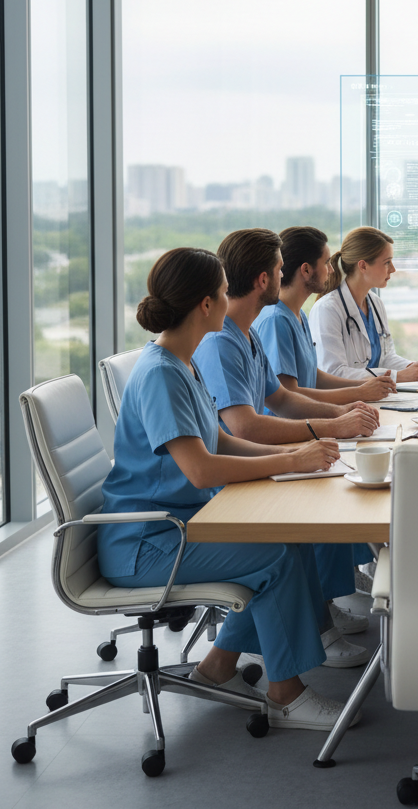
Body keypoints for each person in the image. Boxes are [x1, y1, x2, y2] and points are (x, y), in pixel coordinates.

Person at [97, 247, 359, 730]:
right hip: (146, 543)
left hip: (175, 526)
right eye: (221, 293)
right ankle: (286, 695)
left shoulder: (182, 362)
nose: (228, 300)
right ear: (204, 305)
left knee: (285, 540)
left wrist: (298, 457)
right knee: (276, 554)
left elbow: (221, 439)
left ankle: (217, 667)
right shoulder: (160, 373)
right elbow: (200, 470)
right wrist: (290, 458)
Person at [193, 228, 378, 667]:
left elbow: (279, 397)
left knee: (311, 513)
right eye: (279, 269)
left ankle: (227, 660)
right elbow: (245, 426)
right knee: (292, 539)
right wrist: (309, 443)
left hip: (244, 462)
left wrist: (338, 418)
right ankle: (308, 643)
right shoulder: (222, 342)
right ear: (264, 279)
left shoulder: (246, 333)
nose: (283, 275)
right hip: (227, 482)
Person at [253, 226, 398, 406]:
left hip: (306, 421)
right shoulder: (276, 320)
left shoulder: (298, 316)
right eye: (326, 263)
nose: (331, 270)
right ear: (306, 270)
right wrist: (356, 395)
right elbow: (288, 395)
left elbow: (315, 377)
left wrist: (365, 386)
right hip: (290, 427)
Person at [308, 225, 418, 382]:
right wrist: (400, 376)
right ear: (363, 266)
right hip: (345, 401)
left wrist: (412, 367)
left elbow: (386, 358)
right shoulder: (327, 309)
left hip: (373, 397)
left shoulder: (375, 303)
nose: (393, 269)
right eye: (387, 262)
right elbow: (334, 373)